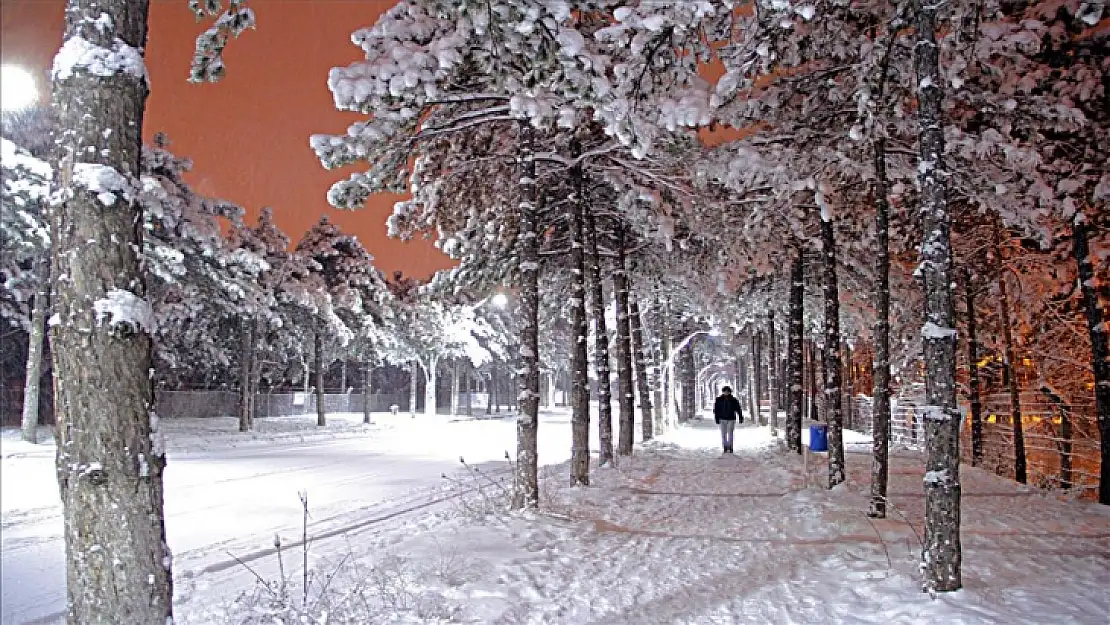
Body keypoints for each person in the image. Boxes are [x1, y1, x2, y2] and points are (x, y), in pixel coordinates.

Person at [713, 386, 744, 453]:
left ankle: (730, 447)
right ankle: (725, 447)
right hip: (722, 419)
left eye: (727, 391)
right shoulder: (719, 400)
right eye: (725, 391)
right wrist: (716, 418)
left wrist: (740, 417)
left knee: (730, 433)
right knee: (723, 434)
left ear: (730, 392)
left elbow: (738, 409)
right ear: (723, 392)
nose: (726, 392)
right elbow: (716, 410)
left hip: (731, 419)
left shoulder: (734, 400)